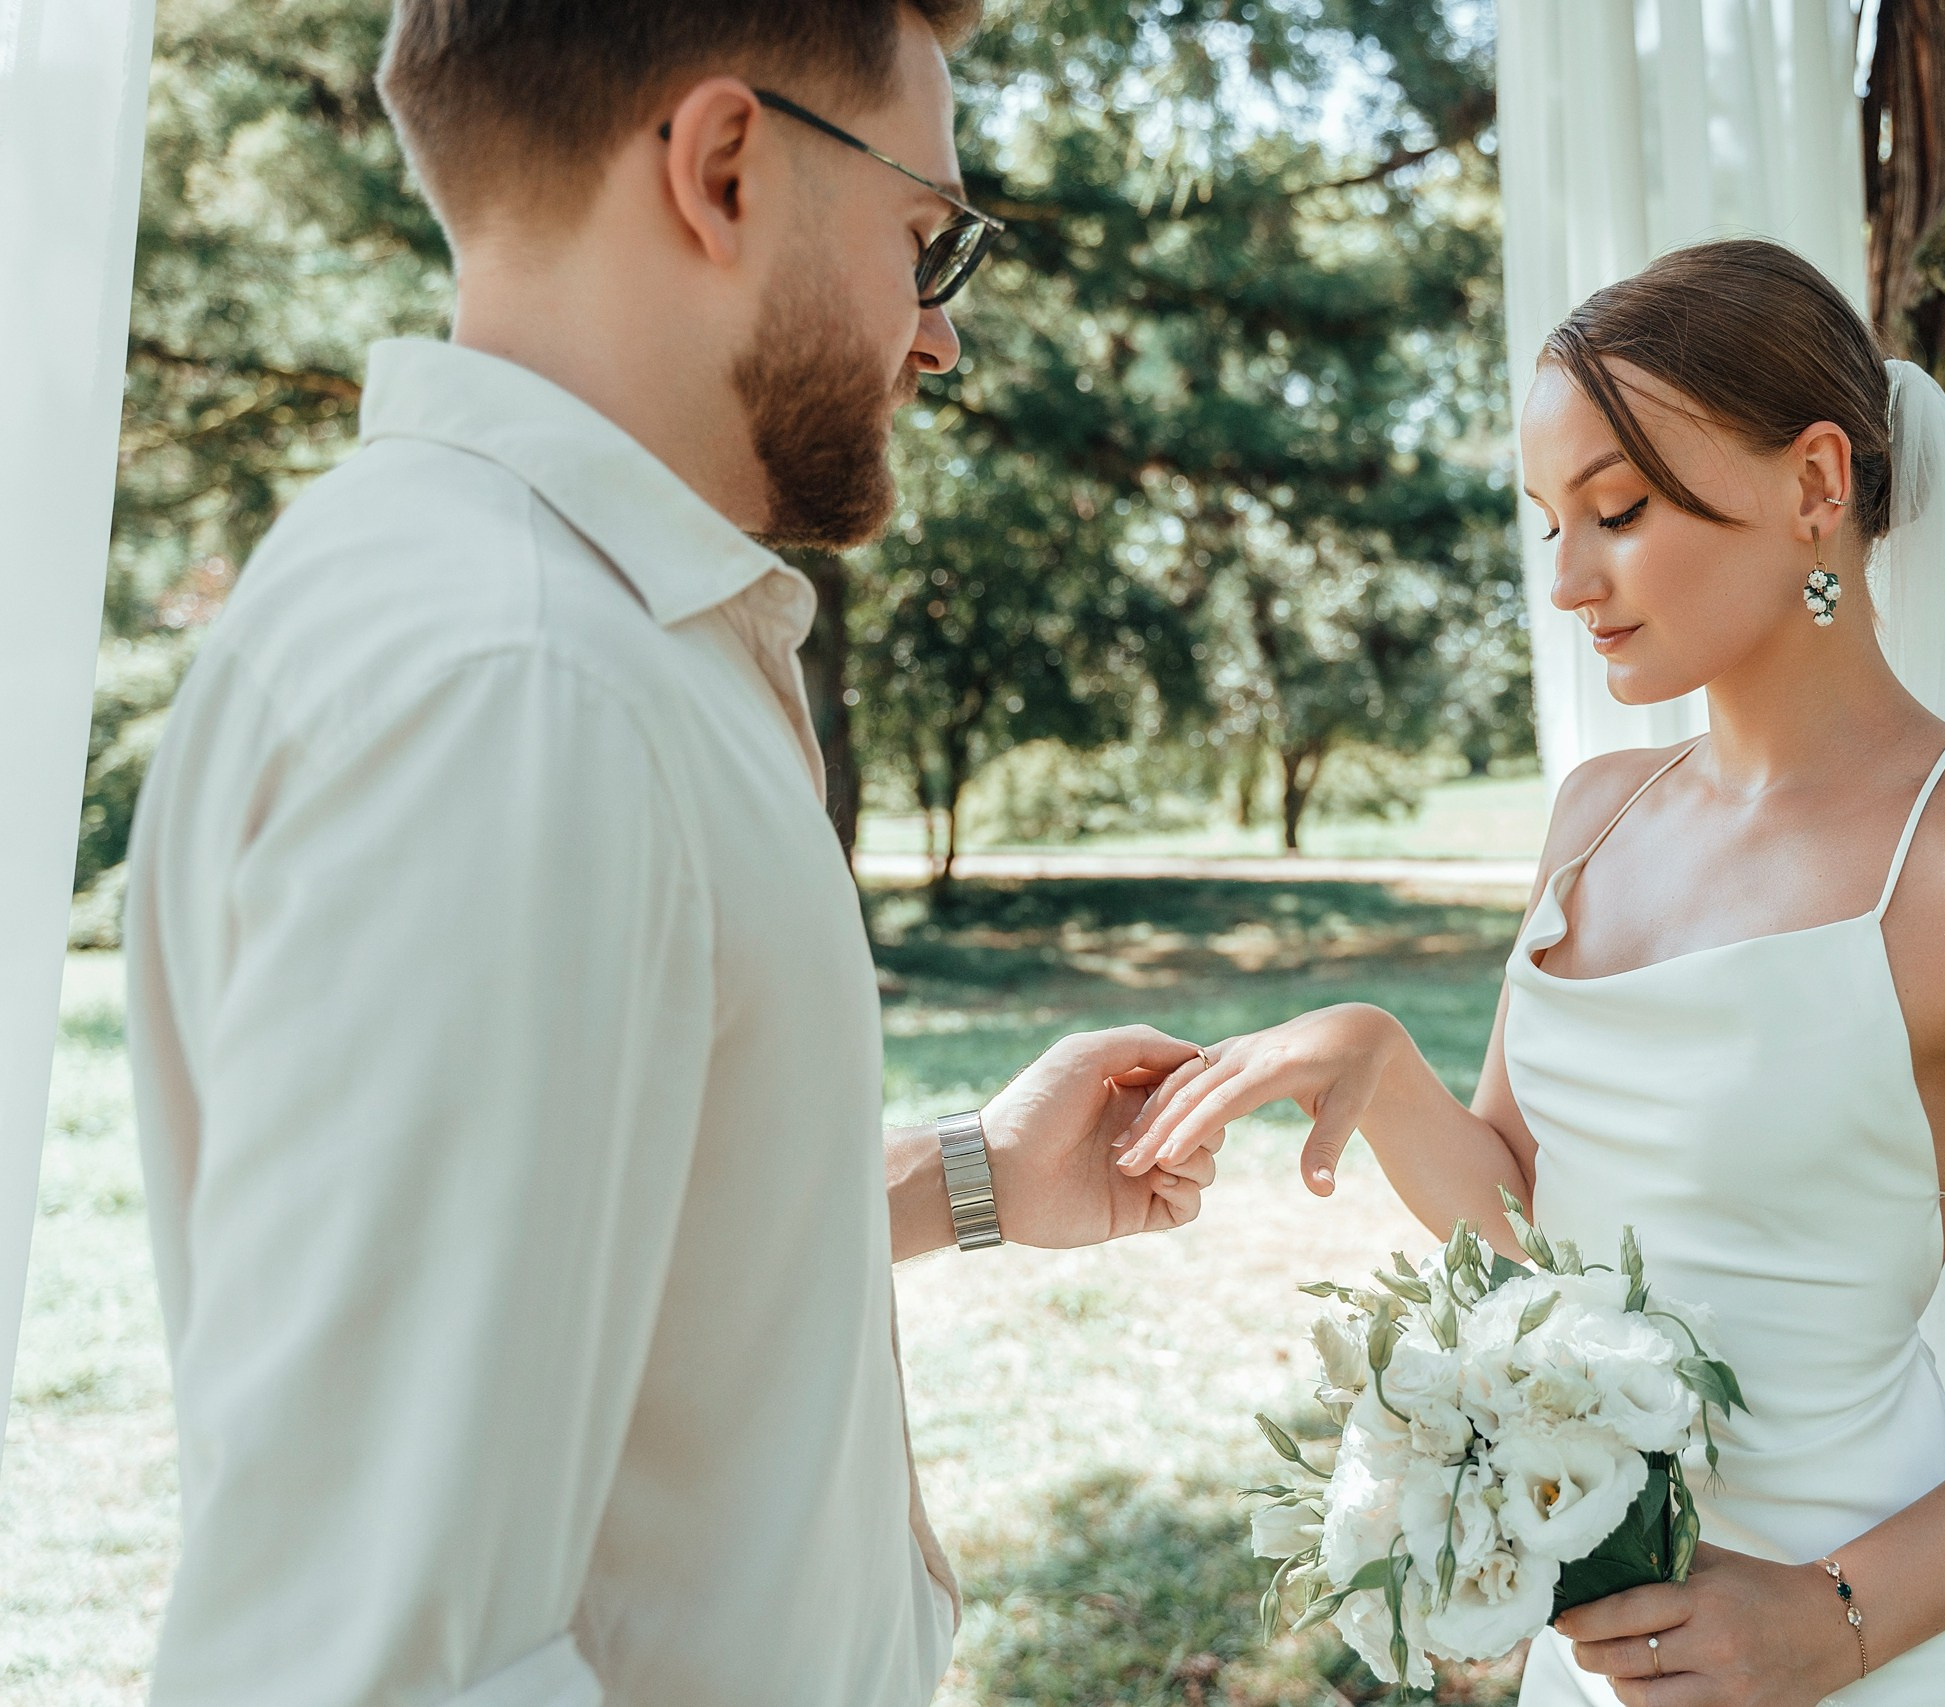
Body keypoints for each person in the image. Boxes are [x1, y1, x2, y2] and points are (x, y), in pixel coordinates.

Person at [119, 3, 1213, 1702]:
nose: (936, 343)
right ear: (721, 172)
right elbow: (377, 1661)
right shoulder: (516, 693)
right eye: (926, 241)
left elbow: (581, 1262)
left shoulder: (544, 629)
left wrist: (977, 1173)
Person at [1117, 239, 1945, 1704]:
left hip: (1876, 1648)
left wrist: (1832, 1619)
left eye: (1621, 510)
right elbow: (1534, 1244)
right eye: (1549, 524)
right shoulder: (1597, 817)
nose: (1571, 579)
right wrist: (1378, 1067)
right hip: (1614, 1662)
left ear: (1817, 485)